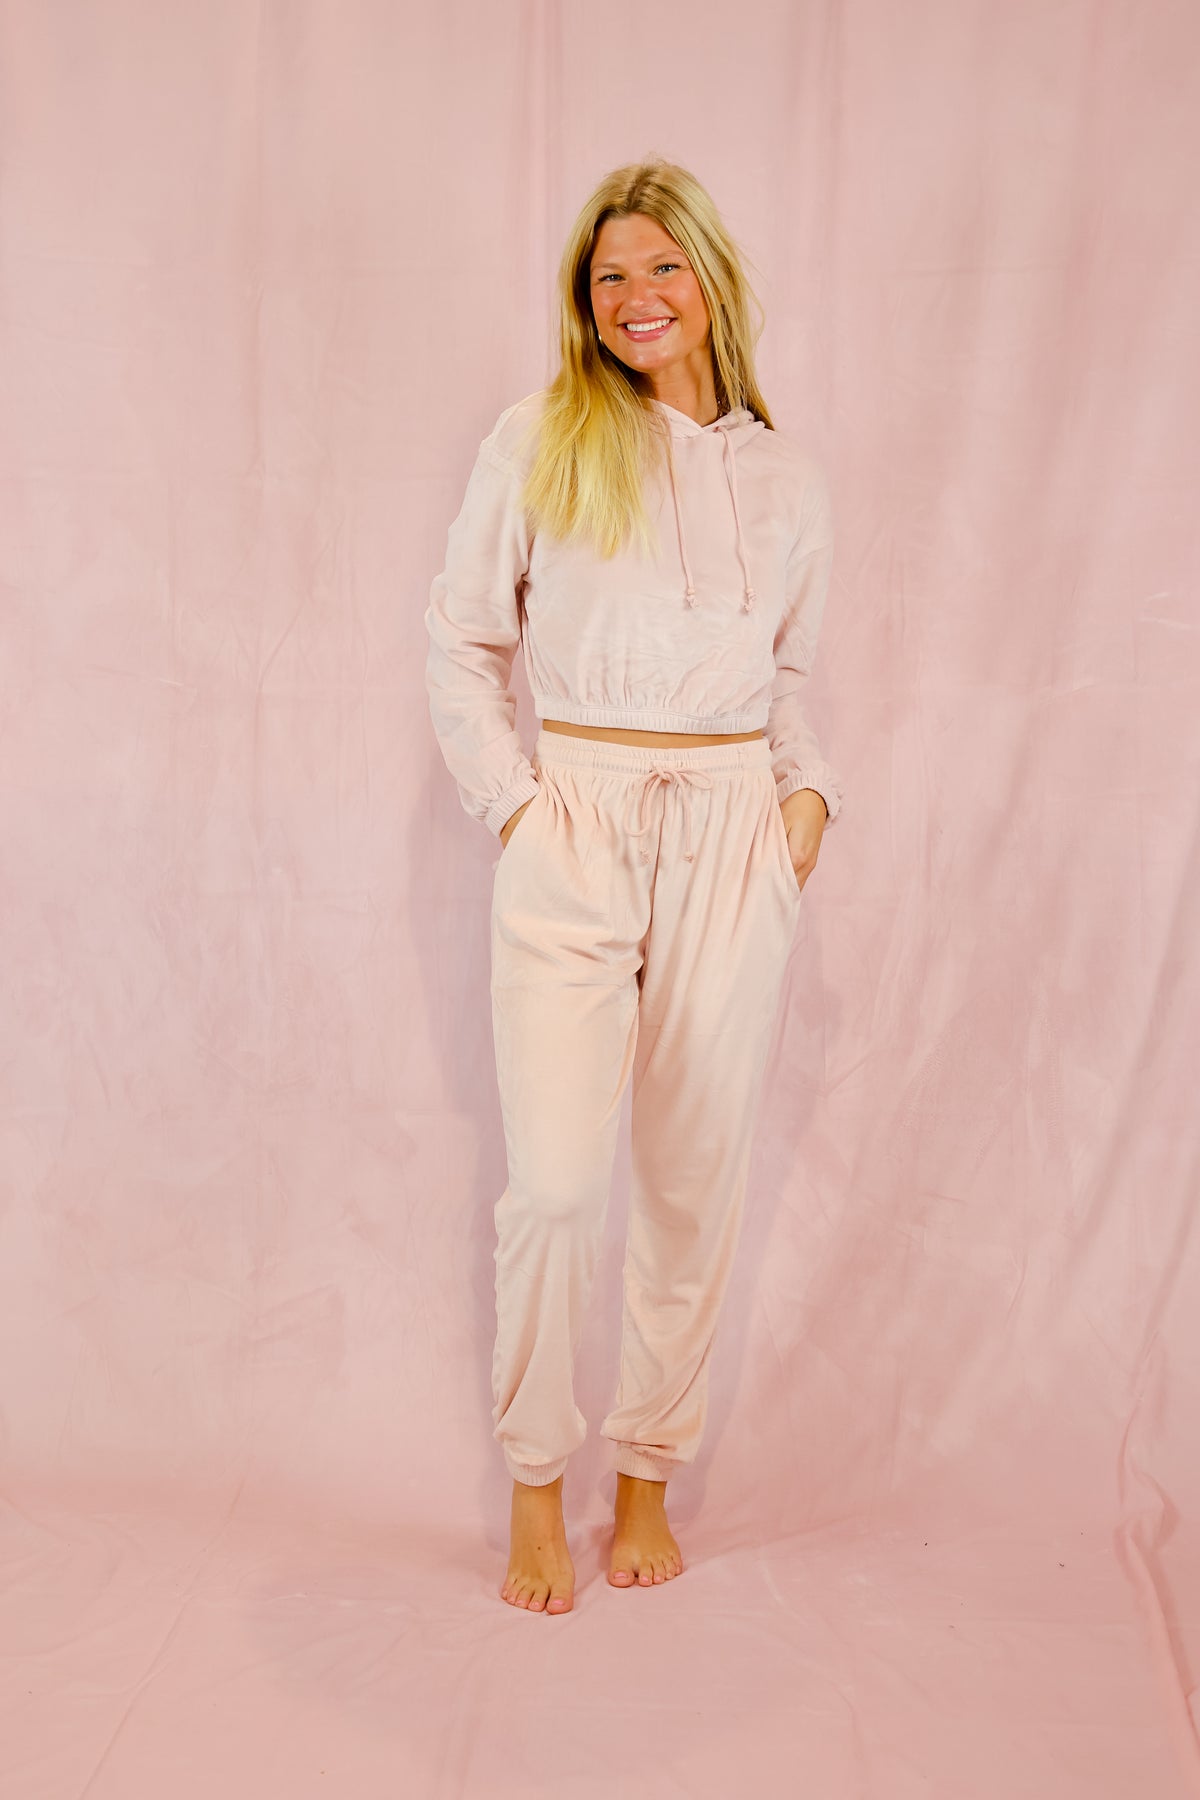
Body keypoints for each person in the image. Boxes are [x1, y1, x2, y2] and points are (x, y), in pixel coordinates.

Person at [424, 156, 843, 1615]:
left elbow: (789, 679)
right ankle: (539, 1486)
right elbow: (464, 639)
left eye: (662, 266)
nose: (635, 295)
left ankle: (649, 1476)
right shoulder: (542, 436)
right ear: (583, 300)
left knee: (692, 1180)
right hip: (579, 822)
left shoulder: (787, 479)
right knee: (553, 1186)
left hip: (734, 830)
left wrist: (806, 801)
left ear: (711, 279)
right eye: (609, 275)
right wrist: (516, 809)